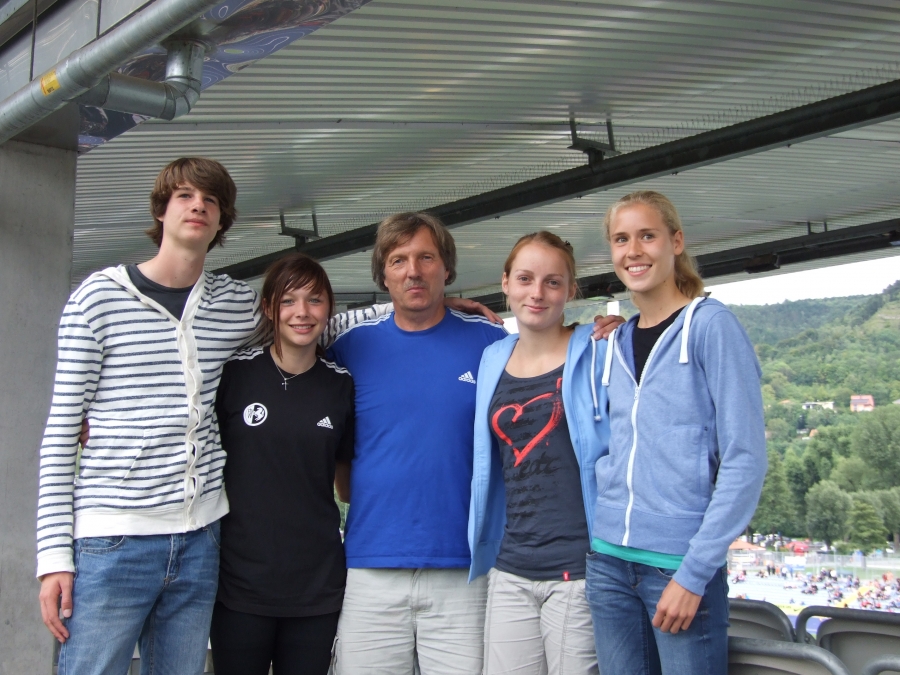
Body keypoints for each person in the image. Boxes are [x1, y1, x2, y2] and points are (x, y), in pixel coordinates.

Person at [36, 157, 258, 674]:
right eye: (184, 196)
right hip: (111, 541)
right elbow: (61, 433)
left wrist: (428, 309)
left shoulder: (234, 304)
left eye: (211, 200)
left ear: (223, 220)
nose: (198, 205)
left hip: (201, 537)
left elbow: (309, 322)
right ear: (162, 210)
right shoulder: (98, 299)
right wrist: (53, 559)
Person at [585, 190, 767, 674]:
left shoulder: (712, 327)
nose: (634, 250)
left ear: (676, 241)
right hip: (606, 564)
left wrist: (694, 573)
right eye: (621, 239)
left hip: (678, 567)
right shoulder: (616, 340)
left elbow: (745, 459)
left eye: (647, 235)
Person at [327, 212, 508, 675]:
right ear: (382, 274)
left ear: (446, 268)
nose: (413, 270)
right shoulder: (349, 348)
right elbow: (292, 321)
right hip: (370, 568)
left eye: (426, 257)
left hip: (464, 570)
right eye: (399, 260)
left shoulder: (491, 344)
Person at [468, 232, 610, 675]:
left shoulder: (598, 349)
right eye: (525, 278)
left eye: (553, 282)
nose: (537, 292)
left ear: (571, 290)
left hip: (578, 569)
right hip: (510, 566)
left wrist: (620, 330)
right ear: (505, 283)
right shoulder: (493, 357)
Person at [210, 253, 354, 675]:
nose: (302, 313)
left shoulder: (341, 384)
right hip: (239, 585)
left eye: (315, 300)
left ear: (329, 309)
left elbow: (346, 483)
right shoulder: (234, 375)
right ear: (269, 308)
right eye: (289, 301)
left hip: (317, 586)